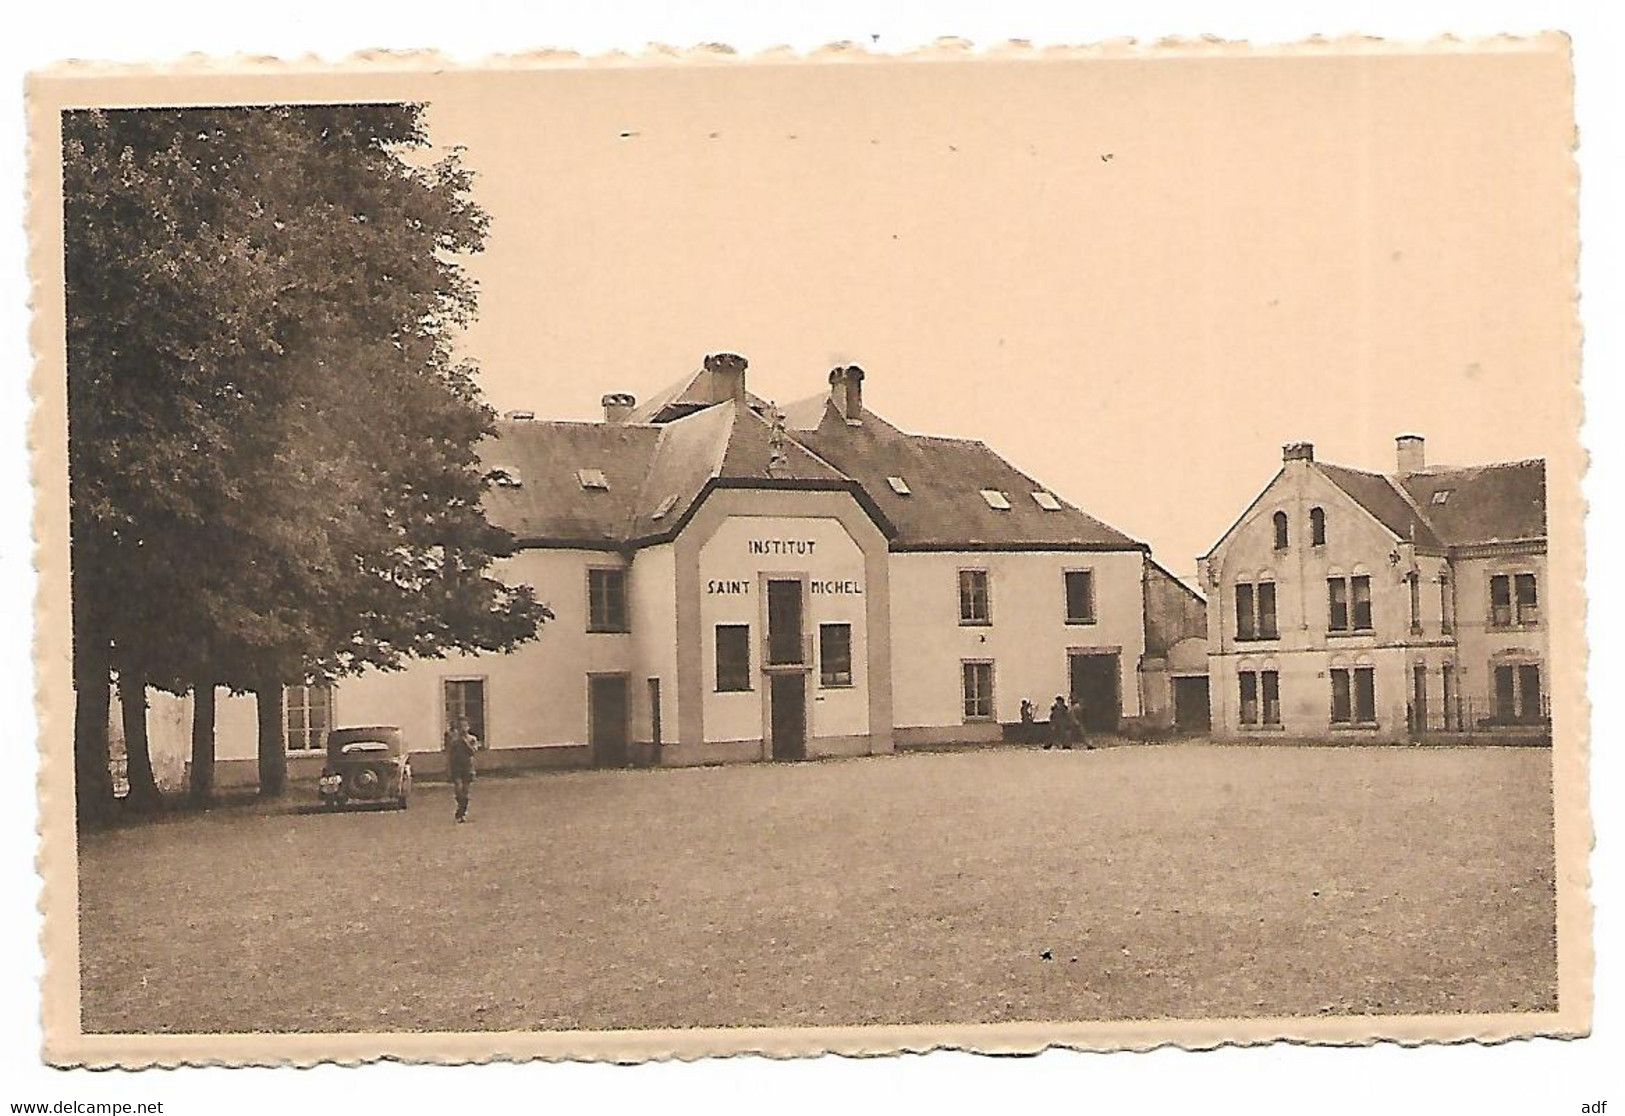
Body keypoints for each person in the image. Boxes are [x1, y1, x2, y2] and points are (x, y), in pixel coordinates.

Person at [444, 715, 483, 822]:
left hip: (468, 767)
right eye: (460, 726)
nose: (463, 728)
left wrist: (465, 742)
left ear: (468, 727)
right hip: (456, 767)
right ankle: (460, 809)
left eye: (465, 726)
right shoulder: (454, 740)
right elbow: (449, 754)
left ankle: (462, 811)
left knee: (465, 792)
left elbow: (473, 752)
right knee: (458, 789)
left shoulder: (472, 739)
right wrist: (448, 768)